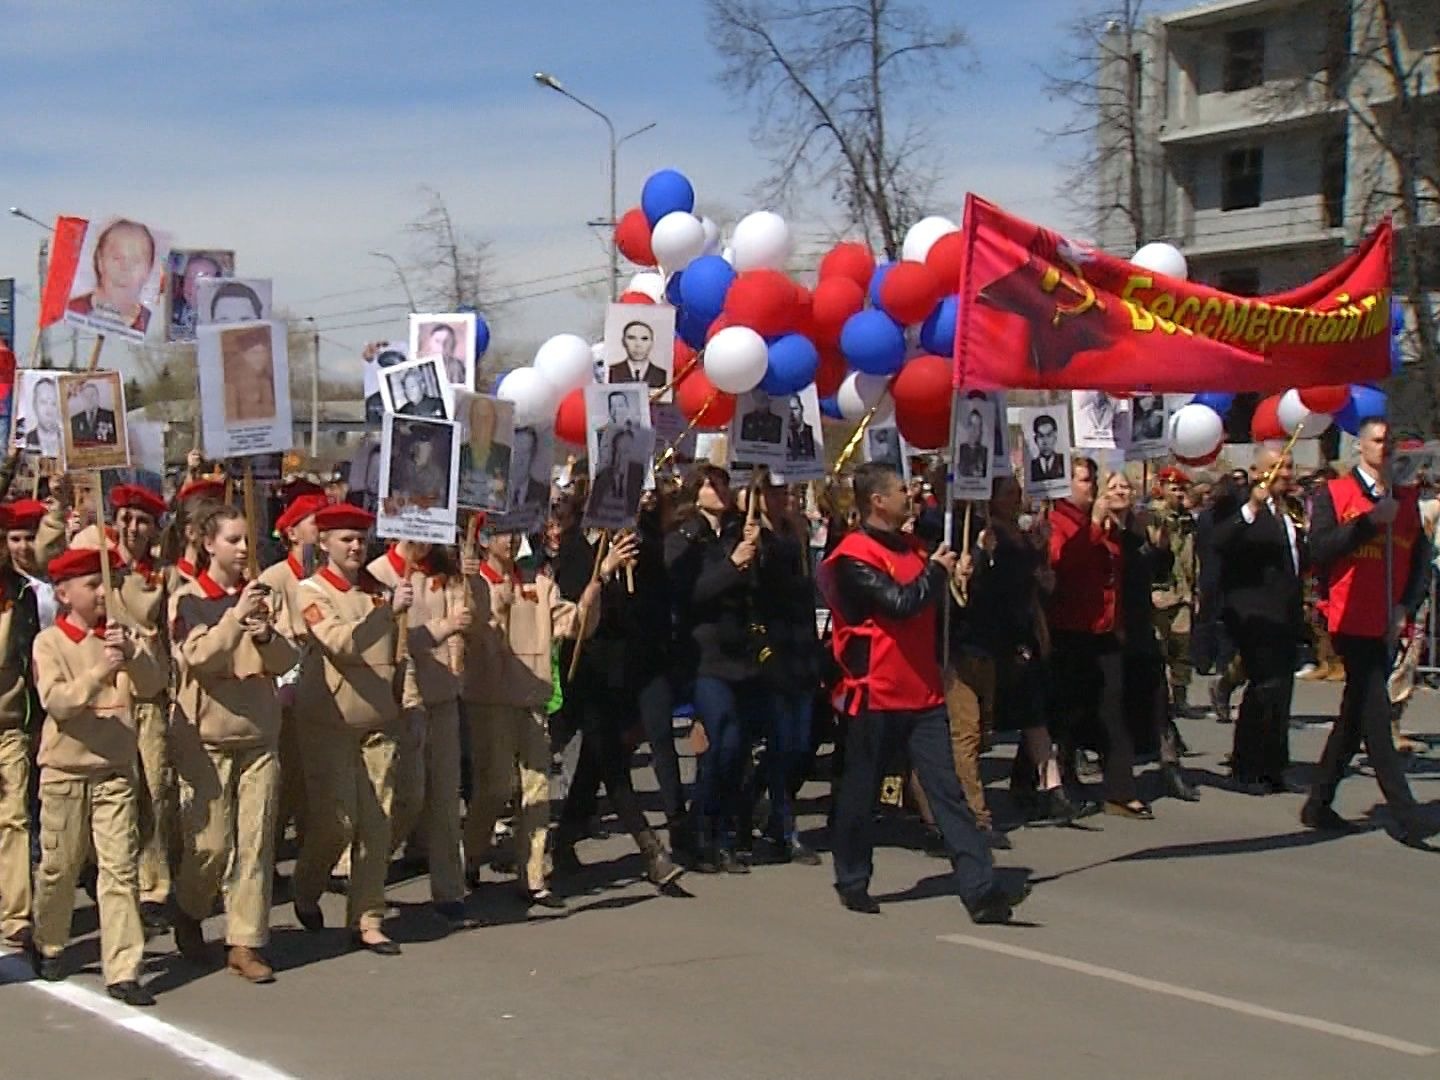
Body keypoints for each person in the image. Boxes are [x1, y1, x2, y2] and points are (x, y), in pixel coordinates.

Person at [821, 462, 1026, 922]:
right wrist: (936, 574)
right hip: (875, 693)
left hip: (924, 693)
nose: (909, 495)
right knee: (861, 791)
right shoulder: (853, 555)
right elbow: (899, 603)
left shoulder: (915, 548)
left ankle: (981, 889)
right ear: (877, 501)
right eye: (900, 489)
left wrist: (962, 570)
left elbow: (934, 599)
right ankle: (852, 876)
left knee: (947, 791)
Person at [29, 547, 167, 1006]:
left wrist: (131, 655)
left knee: (119, 870)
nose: (102, 594)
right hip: (66, 771)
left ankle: (124, 967)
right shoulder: (50, 643)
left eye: (104, 584)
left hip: (113, 771)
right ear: (64, 594)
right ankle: (49, 939)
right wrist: (99, 670)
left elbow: (152, 684)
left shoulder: (120, 636)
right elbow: (59, 702)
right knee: (60, 867)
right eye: (91, 585)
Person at [169, 505, 296, 984]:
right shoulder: (189, 598)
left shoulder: (261, 598)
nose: (244, 549)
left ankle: (245, 941)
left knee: (256, 842)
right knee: (211, 845)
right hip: (208, 738)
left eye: (248, 540)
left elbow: (287, 659)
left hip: (259, 733)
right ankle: (190, 905)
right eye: (234, 540)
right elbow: (198, 656)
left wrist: (265, 633)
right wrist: (234, 616)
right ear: (209, 544)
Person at [1303, 417, 1432, 843]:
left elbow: (1418, 566)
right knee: (1376, 714)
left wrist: (1404, 607)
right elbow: (1320, 549)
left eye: (1390, 442)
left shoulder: (1406, 500)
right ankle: (1407, 814)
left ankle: (1318, 801)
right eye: (1377, 441)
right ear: (1360, 446)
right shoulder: (1335, 493)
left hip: (1385, 621)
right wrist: (1370, 522)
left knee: (1354, 715)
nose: (1385, 448)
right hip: (1348, 617)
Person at [292, 503, 409, 955]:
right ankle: (306, 884)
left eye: (361, 538)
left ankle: (368, 917)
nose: (356, 546)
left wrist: (407, 701)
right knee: (337, 823)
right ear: (323, 543)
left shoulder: (380, 590)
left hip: (379, 719)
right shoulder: (311, 591)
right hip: (331, 721)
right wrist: (386, 614)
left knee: (377, 824)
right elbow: (340, 642)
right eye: (345, 538)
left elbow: (402, 654)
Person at [460, 528, 600, 908]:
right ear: (485, 539)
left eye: (515, 532)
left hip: (532, 697)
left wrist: (592, 595)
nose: (509, 540)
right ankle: (471, 854)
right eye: (500, 533)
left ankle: (533, 875)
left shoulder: (539, 583)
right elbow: (464, 630)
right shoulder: (472, 583)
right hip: (490, 699)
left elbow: (573, 623)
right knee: (495, 787)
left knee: (538, 788)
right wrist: (483, 596)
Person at [366, 539, 476, 929]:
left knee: (446, 798)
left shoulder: (446, 571)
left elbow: (467, 625)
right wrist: (442, 628)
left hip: (444, 695)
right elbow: (389, 642)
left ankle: (449, 889)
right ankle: (368, 874)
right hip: (403, 701)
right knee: (408, 796)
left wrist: (468, 592)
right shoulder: (379, 573)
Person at [1047, 458, 1147, 818]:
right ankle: (1045, 780)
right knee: (1066, 714)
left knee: (1113, 709)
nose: (1090, 488)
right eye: (1084, 481)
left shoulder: (1106, 523)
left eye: (1092, 481)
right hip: (1070, 629)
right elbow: (1064, 564)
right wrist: (1092, 527)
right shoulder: (1056, 521)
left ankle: (1120, 788)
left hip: (1104, 629)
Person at [1210, 446, 1305, 794]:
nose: (1285, 473)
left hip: (1285, 613)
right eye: (1277, 467)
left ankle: (1275, 766)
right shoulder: (1236, 504)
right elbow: (1218, 541)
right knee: (1264, 686)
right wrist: (1251, 506)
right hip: (1252, 613)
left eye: (1289, 467)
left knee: (1282, 688)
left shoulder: (1290, 509)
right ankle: (1246, 765)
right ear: (1256, 471)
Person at [257, 491, 330, 857]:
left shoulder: (329, 574)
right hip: (290, 680)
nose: (322, 528)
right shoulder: (274, 577)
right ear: (292, 533)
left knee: (317, 775)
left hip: (326, 680)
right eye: (315, 521)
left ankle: (311, 849)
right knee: (288, 775)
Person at [0, 501, 42, 950]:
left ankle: (16, 915)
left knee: (14, 818)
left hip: (10, 724)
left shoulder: (23, 595)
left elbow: (28, 660)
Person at [1150, 466, 1198, 719]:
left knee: (1182, 647)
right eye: (1173, 488)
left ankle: (1180, 696)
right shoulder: (1154, 516)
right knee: (1160, 648)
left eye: (1181, 488)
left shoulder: (1187, 519)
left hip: (1183, 593)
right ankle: (1158, 698)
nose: (1178, 493)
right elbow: (1155, 552)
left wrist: (1195, 589)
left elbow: (1192, 556)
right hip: (1159, 594)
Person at [67, 218, 157, 334]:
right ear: (100, 260)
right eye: (117, 258)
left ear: (148, 269)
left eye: (135, 260)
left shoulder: (151, 328)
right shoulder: (72, 311)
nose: (125, 267)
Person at [586, 428, 644, 523]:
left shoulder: (635, 479)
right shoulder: (605, 477)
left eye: (627, 451)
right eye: (619, 451)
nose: (622, 456)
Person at [222, 325, 277, 423]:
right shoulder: (231, 382)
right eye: (254, 353)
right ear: (244, 355)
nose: (260, 357)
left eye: (263, 352)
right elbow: (231, 419)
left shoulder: (266, 379)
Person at [171, 252, 224, 336]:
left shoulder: (228, 317)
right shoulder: (170, 312)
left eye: (203, 279)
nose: (192, 286)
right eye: (188, 278)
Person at [607, 320, 666, 389]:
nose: (638, 344)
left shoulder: (663, 375)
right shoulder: (611, 372)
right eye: (631, 338)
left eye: (644, 338)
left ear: (652, 343)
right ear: (623, 342)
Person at [396, 428, 448, 505]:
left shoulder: (436, 473)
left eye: (427, 448)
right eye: (418, 447)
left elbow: (440, 500)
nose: (422, 451)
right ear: (412, 448)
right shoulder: (402, 467)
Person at [21, 376, 62, 458]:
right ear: (34, 405)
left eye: (54, 403)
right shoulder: (26, 439)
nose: (49, 411)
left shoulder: (68, 440)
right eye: (43, 402)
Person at [70, 381, 118, 447]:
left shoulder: (111, 416)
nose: (90, 399)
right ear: (82, 399)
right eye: (86, 396)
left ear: (98, 397)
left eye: (92, 395)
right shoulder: (74, 420)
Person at [1028, 415, 1065, 482]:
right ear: (1035, 439)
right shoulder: (1030, 466)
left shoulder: (1064, 462)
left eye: (1049, 435)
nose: (1045, 441)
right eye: (1041, 436)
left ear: (1055, 437)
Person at [955, 408, 988, 479]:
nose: (974, 430)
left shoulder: (984, 452)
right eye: (971, 425)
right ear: (967, 428)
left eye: (977, 427)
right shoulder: (960, 449)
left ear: (980, 431)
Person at [785, 395, 817, 461]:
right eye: (787, 409)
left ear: (802, 409)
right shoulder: (779, 436)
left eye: (794, 409)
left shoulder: (814, 433)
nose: (791, 413)